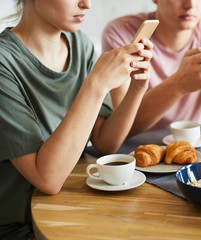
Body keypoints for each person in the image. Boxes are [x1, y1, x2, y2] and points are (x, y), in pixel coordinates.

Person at [0, 0, 154, 239]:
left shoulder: (80, 45)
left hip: (73, 209)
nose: (87, 4)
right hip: (21, 227)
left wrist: (137, 88)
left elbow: (105, 142)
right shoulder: (3, 63)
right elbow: (47, 180)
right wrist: (96, 84)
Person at [102, 0, 201, 136]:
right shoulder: (121, 33)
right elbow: (122, 129)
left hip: (185, 143)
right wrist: (179, 84)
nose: (190, 4)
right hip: (132, 150)